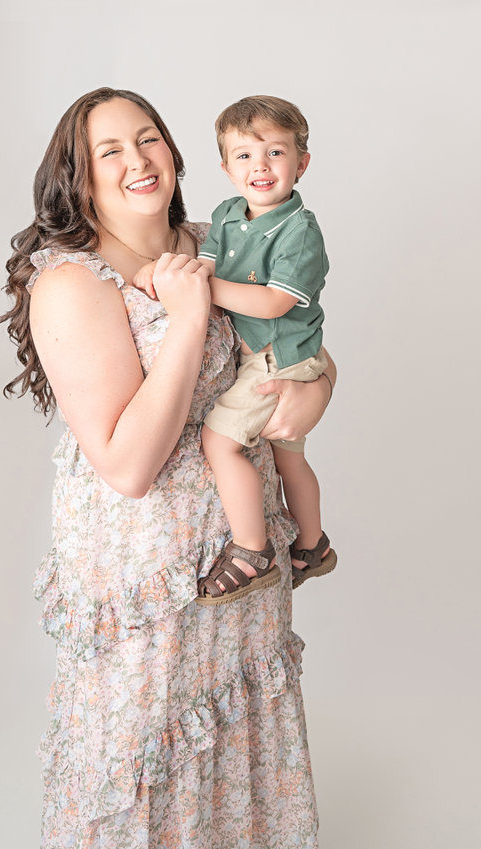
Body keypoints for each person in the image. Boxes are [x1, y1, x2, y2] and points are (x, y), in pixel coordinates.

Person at [0, 87, 335, 849]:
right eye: (108, 150)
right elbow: (128, 464)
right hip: (148, 584)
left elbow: (296, 338)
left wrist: (316, 386)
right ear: (77, 178)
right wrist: (187, 317)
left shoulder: (218, 239)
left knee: (237, 778)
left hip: (241, 572)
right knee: (145, 786)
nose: (137, 160)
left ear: (177, 154)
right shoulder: (71, 284)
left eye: (147, 139)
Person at [135, 96, 336, 603]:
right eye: (244, 156)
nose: (260, 166)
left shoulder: (300, 231)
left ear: (301, 163)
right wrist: (171, 275)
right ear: (226, 168)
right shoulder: (226, 215)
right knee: (289, 459)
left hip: (280, 356)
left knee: (219, 443)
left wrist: (201, 288)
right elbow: (203, 264)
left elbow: (271, 303)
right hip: (268, 354)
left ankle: (252, 549)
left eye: (275, 152)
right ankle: (312, 546)